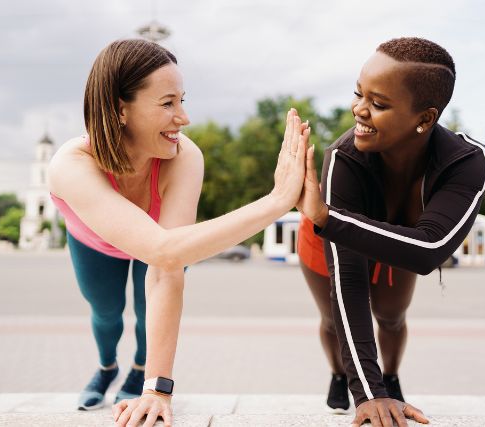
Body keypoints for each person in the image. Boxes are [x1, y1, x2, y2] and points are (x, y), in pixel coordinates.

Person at [48, 39, 310, 425]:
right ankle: (106, 368)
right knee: (107, 314)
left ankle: (138, 371)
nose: (183, 117)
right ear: (121, 109)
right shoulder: (70, 163)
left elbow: (167, 265)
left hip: (159, 248)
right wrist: (275, 201)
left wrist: (157, 389)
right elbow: (164, 248)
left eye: (182, 100)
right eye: (167, 103)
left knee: (145, 308)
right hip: (95, 244)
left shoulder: (182, 156)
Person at [296, 37, 485, 427]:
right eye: (358, 94)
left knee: (392, 315)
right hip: (324, 236)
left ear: (426, 118)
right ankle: (342, 376)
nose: (358, 110)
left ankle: (391, 375)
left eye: (379, 104)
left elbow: (427, 250)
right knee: (334, 319)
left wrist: (327, 216)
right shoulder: (344, 159)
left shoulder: (466, 161)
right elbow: (348, 281)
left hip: (392, 242)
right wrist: (368, 396)